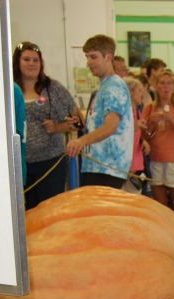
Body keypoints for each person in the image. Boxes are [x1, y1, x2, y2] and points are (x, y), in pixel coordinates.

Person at [12, 41, 82, 209]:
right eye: (26, 59)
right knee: (24, 213)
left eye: (36, 60)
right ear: (17, 62)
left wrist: (58, 127)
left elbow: (78, 122)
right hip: (20, 166)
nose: (31, 64)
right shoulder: (9, 90)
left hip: (51, 164)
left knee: (51, 212)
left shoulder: (53, 88)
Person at [66, 35, 133, 188]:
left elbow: (110, 126)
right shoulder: (103, 87)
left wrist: (81, 141)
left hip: (107, 168)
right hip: (97, 166)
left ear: (108, 57)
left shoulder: (114, 86)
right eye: (87, 57)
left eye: (93, 57)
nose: (89, 62)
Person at [141, 69, 174, 222]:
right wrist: (150, 124)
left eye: (169, 83)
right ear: (156, 86)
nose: (165, 87)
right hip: (157, 160)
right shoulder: (149, 108)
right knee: (161, 205)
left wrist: (171, 120)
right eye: (162, 83)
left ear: (173, 87)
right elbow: (147, 137)